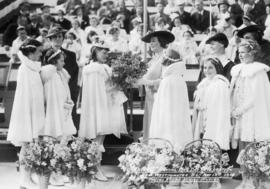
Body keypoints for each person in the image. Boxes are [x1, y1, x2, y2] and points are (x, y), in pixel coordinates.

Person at [79, 42, 127, 181]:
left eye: (107, 52)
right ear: (95, 52)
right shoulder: (93, 69)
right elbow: (98, 91)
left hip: (106, 105)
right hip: (98, 106)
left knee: (100, 139)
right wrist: (115, 86)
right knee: (97, 139)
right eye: (103, 52)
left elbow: (108, 86)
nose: (106, 54)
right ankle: (94, 169)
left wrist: (120, 83)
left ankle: (96, 167)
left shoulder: (104, 67)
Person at [231, 40, 270, 186]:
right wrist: (233, 108)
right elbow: (235, 91)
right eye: (239, 53)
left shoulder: (258, 71)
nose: (241, 55)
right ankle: (246, 178)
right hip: (240, 113)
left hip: (251, 113)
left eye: (244, 52)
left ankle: (254, 180)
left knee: (252, 144)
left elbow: (255, 96)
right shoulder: (238, 69)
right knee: (243, 144)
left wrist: (240, 110)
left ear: (252, 53)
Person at [7, 39, 44, 189]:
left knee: (31, 145)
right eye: (39, 51)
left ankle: (28, 175)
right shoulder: (24, 68)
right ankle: (24, 178)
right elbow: (25, 94)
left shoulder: (33, 67)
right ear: (30, 53)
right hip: (26, 110)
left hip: (34, 109)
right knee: (26, 145)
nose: (41, 54)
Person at [149, 49, 193, 152]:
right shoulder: (180, 79)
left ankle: (167, 147)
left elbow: (164, 107)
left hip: (168, 117)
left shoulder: (167, 80)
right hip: (178, 118)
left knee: (168, 126)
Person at [138, 30, 175, 140]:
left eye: (154, 41)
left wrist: (146, 82)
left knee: (158, 124)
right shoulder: (153, 59)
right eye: (150, 42)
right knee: (150, 124)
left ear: (161, 42)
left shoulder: (166, 58)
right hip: (150, 97)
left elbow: (167, 80)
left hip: (160, 97)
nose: (151, 44)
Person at [193, 57, 231, 150]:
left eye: (210, 68)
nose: (207, 70)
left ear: (217, 68)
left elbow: (217, 107)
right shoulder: (205, 82)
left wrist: (203, 106)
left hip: (214, 120)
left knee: (212, 143)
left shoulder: (219, 84)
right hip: (203, 118)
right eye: (205, 68)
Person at [45, 26, 79, 129]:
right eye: (54, 37)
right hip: (49, 90)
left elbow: (74, 75)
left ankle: (67, 140)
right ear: (49, 39)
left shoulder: (71, 55)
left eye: (60, 36)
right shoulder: (43, 54)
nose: (58, 39)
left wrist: (70, 92)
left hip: (66, 90)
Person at [40, 49, 76, 138]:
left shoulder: (61, 74)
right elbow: (51, 95)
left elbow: (64, 91)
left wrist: (68, 100)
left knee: (64, 135)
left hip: (63, 109)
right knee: (55, 134)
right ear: (54, 61)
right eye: (61, 61)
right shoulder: (50, 74)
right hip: (55, 110)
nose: (64, 63)